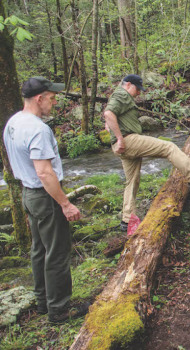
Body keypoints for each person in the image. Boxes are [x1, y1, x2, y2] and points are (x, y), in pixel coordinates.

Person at [3, 77, 87, 323]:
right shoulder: (38, 129)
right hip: (44, 195)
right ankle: (59, 310)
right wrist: (65, 203)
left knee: (39, 249)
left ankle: (43, 302)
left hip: (28, 194)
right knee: (57, 252)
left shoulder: (13, 122)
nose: (54, 101)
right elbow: (44, 172)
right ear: (39, 98)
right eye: (52, 97)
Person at [103, 74, 190, 231]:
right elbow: (108, 114)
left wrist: (112, 130)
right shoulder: (122, 94)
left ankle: (127, 219)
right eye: (137, 89)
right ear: (128, 84)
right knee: (168, 147)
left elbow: (110, 115)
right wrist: (120, 138)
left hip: (122, 145)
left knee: (132, 180)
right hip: (128, 141)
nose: (138, 93)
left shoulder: (118, 95)